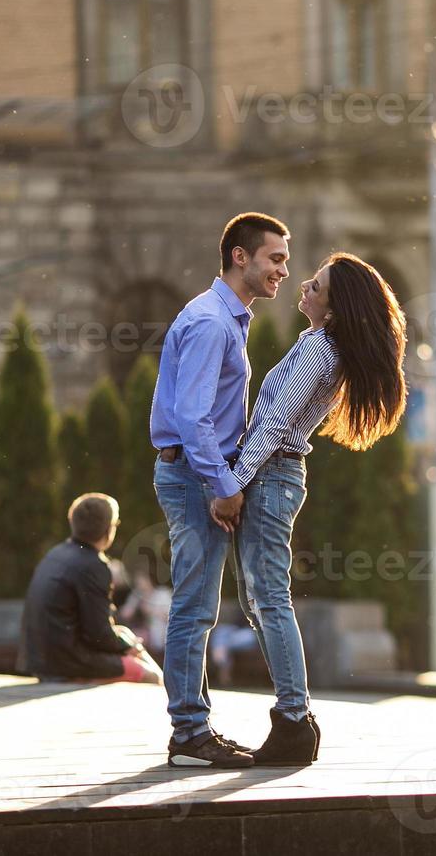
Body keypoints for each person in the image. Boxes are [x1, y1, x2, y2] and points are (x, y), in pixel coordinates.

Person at [228, 252, 408, 766]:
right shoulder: (315, 342)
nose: (304, 285)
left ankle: (293, 719)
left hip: (271, 476)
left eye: (317, 284)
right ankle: (292, 717)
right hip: (270, 475)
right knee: (258, 600)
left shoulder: (322, 352)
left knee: (269, 598)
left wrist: (234, 484)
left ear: (333, 306)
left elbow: (275, 424)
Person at [150, 213, 290, 769]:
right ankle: (188, 734)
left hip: (194, 472)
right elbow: (192, 416)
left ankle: (194, 726)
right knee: (194, 606)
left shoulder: (226, 317)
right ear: (240, 256)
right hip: (193, 476)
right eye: (275, 258)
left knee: (199, 604)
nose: (284, 269)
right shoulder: (212, 322)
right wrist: (223, 484)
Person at [18, 493, 161, 684]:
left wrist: (127, 643)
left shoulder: (56, 554)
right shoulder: (93, 566)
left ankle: (165, 682)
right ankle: (164, 686)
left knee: (125, 634)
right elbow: (99, 635)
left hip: (40, 660)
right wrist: (130, 647)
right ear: (109, 530)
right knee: (146, 675)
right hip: (67, 663)